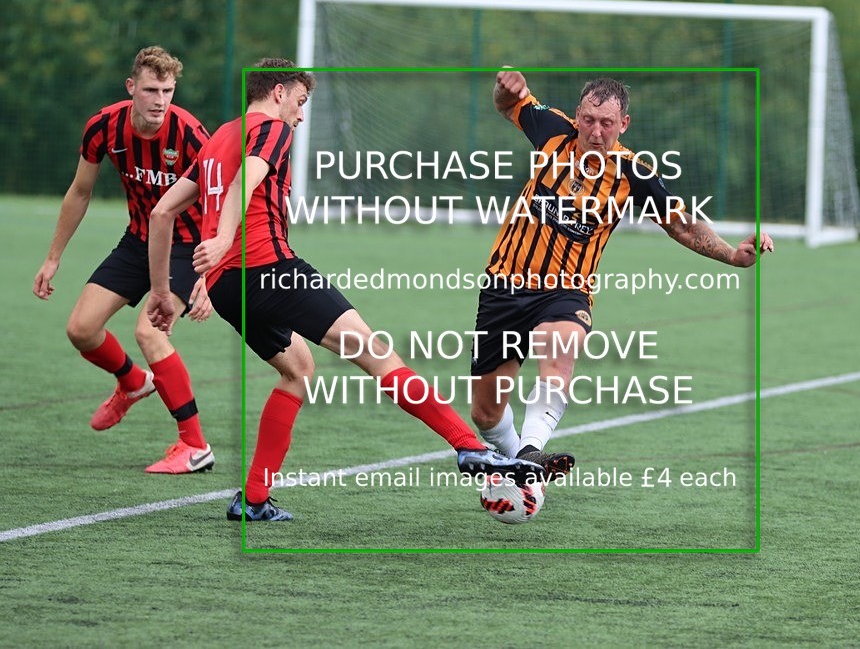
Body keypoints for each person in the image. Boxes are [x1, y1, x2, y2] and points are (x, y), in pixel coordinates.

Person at [147, 58, 543, 521]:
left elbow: (161, 213)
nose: (300, 112)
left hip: (227, 288)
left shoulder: (218, 138)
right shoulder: (271, 129)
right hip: (272, 272)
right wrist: (222, 238)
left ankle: (254, 500)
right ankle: (471, 447)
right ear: (278, 92)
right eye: (300, 100)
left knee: (297, 370)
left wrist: (160, 292)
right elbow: (246, 181)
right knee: (378, 355)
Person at [470, 69, 775, 477]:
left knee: (559, 350)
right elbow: (508, 104)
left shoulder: (633, 174)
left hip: (565, 291)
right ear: (578, 116)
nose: (597, 132)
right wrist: (505, 87)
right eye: (590, 121)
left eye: (607, 124)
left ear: (623, 124)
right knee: (486, 413)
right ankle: (518, 465)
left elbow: (681, 225)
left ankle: (530, 451)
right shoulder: (551, 132)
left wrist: (733, 256)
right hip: (504, 285)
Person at [32, 46, 215, 474]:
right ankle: (133, 383)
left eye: (168, 91)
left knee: (148, 332)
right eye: (151, 89)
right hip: (138, 241)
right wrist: (53, 257)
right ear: (131, 87)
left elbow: (223, 202)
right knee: (81, 328)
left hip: (188, 246)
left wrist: (208, 275)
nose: (160, 100)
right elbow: (80, 191)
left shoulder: (189, 134)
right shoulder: (104, 126)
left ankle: (195, 445)